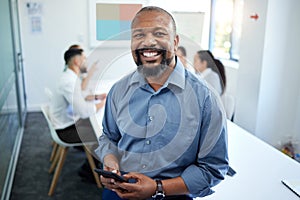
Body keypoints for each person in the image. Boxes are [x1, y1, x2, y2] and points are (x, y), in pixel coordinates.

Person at [95, 6, 228, 199]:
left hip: (174, 194)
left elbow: (213, 169)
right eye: (139, 35)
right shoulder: (118, 90)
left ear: (175, 43)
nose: (148, 42)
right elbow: (109, 137)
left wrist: (158, 187)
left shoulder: (205, 98)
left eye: (159, 33)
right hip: (120, 191)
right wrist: (110, 163)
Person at [49, 47, 106, 144]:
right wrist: (103, 103)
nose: (87, 62)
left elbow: (80, 96)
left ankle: (94, 154)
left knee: (101, 122)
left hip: (69, 122)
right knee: (104, 132)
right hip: (66, 130)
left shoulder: (69, 77)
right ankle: (98, 158)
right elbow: (83, 112)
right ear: (77, 61)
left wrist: (97, 97)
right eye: (84, 59)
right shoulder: (69, 82)